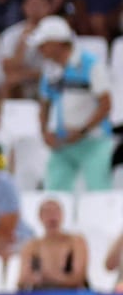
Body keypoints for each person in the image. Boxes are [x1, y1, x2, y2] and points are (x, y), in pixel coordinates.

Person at [33, 16, 114, 193]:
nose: (40, 49)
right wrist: (44, 131)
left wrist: (83, 131)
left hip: (95, 140)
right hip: (64, 142)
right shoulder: (50, 69)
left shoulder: (90, 63)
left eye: (43, 44)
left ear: (56, 42)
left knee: (98, 191)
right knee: (54, 193)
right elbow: (44, 103)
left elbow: (106, 104)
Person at [17, 196, 90, 291]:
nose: (52, 217)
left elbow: (78, 279)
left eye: (56, 212)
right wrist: (59, 278)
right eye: (47, 213)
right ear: (40, 217)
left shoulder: (76, 241)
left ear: (62, 215)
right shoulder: (31, 246)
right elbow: (22, 281)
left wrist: (47, 277)